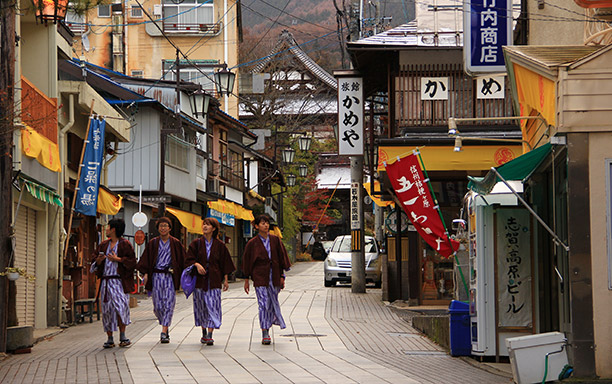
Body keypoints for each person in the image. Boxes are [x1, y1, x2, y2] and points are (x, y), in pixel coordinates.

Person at [185, 217, 235, 345]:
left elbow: (224, 263)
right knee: (201, 306)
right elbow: (188, 259)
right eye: (204, 224)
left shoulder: (220, 245)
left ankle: (210, 334)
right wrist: (196, 264)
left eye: (208, 225)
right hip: (200, 281)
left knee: (213, 305)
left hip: (214, 280)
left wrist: (225, 280)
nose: (205, 227)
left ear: (213, 228)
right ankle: (203, 332)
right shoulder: (196, 243)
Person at [242, 215, 291, 345]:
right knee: (263, 303)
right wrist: (246, 279)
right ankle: (265, 332)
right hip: (259, 276)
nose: (266, 225)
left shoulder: (275, 240)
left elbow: (281, 258)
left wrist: (282, 276)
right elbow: (247, 261)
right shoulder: (252, 243)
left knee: (271, 302)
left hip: (274, 275)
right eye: (263, 223)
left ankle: (270, 323)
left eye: (267, 223)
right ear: (257, 226)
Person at [136, 217, 185, 344]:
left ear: (169, 228)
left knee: (169, 303)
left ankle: (164, 330)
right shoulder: (153, 243)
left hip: (169, 276)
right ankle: (163, 321)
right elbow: (146, 259)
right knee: (158, 305)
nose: (163, 228)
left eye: (165, 225)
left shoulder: (175, 243)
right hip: (156, 277)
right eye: (161, 226)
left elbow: (183, 260)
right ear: (158, 228)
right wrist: (146, 273)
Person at [91, 218, 136, 348]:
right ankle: (109, 337)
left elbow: (132, 262)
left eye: (108, 227)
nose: (106, 229)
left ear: (113, 229)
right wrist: (99, 261)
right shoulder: (103, 245)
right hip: (106, 281)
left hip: (119, 282)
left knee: (121, 306)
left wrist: (119, 259)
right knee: (107, 310)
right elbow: (95, 261)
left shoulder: (125, 244)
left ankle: (123, 334)